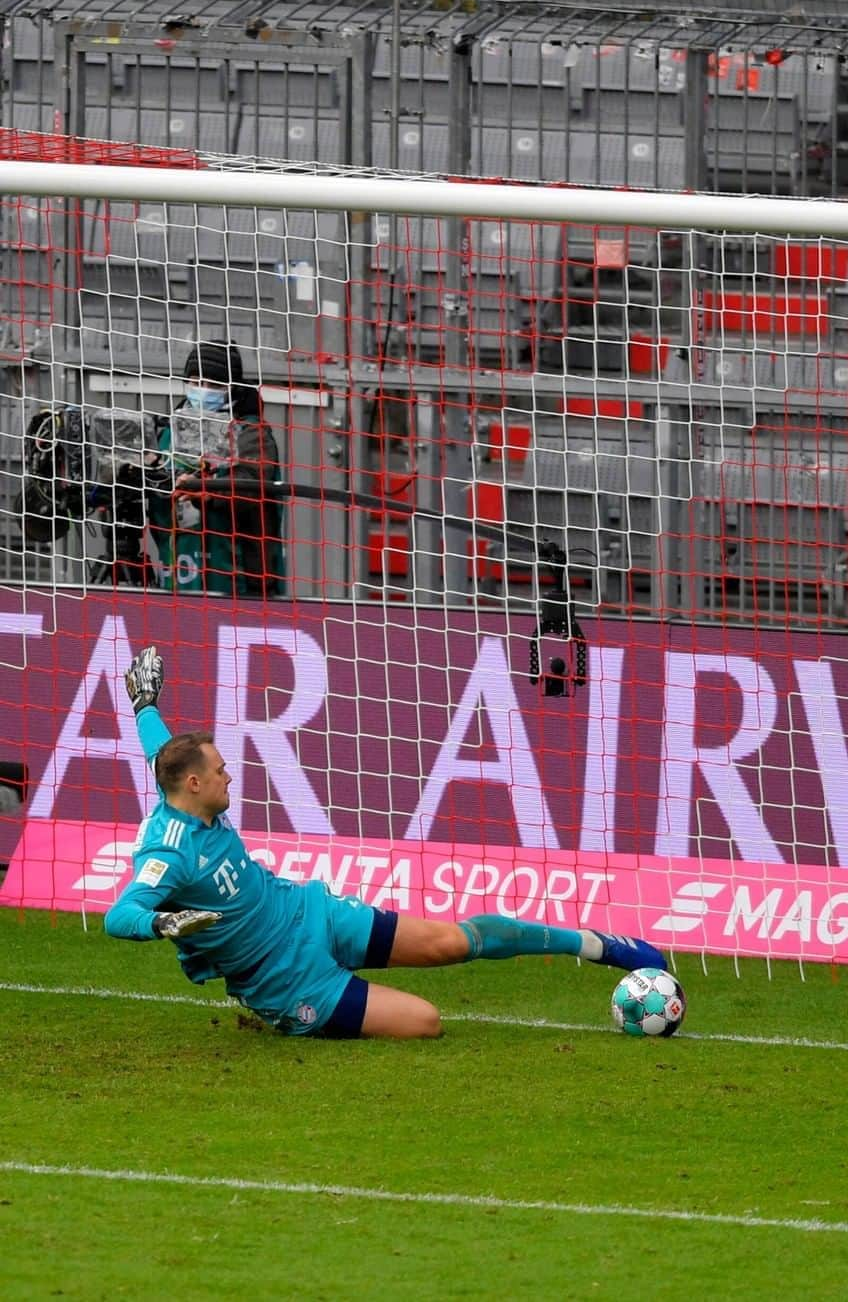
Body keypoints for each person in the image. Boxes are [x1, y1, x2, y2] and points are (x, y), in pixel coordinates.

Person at [104, 647, 667, 1039]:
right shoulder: (169, 852)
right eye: (221, 771)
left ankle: (598, 945)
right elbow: (120, 912)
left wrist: (144, 704)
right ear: (196, 785)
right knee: (426, 1022)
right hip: (284, 978)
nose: (232, 776)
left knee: (452, 941)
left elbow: (160, 751)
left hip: (305, 912)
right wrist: (160, 923)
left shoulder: (178, 783)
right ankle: (308, 1014)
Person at [147, 342, 285, 598]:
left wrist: (209, 494)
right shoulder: (169, 430)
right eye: (196, 381)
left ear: (231, 387)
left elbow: (251, 482)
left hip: (241, 580)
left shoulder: (251, 432)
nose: (203, 391)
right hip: (178, 575)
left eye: (214, 385)